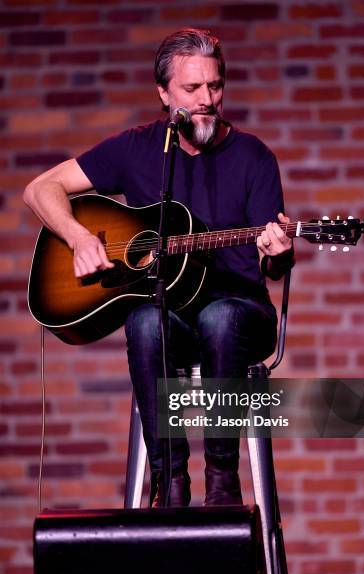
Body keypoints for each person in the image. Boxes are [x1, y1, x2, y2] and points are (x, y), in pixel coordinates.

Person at [24, 28, 294, 507]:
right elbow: (40, 189)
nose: (208, 99)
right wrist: (79, 236)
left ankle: (222, 484)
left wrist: (276, 251)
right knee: (145, 321)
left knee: (220, 318)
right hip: (170, 313)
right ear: (164, 93)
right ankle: (169, 486)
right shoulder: (137, 148)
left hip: (241, 314)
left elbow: (273, 270)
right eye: (192, 89)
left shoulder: (254, 157)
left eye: (215, 85)